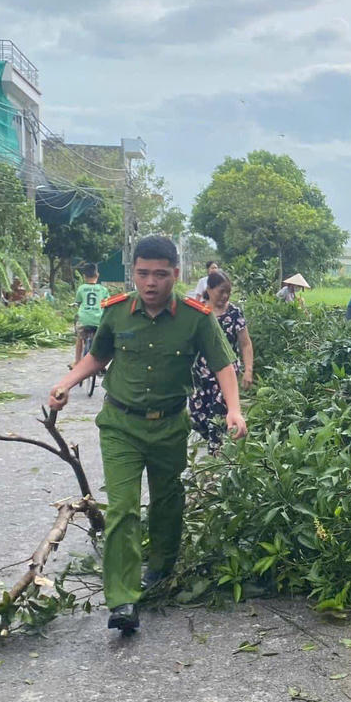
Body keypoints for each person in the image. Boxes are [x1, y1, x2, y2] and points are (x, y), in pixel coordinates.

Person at [47, 235, 246, 635]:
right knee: (122, 508)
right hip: (121, 425)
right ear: (133, 273)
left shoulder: (196, 317)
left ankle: (161, 568)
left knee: (168, 500)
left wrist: (234, 409)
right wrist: (66, 383)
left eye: (159, 274)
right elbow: (97, 356)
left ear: (175, 274)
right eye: (142, 274)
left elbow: (223, 364)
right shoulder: (117, 313)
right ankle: (122, 598)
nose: (150, 283)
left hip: (170, 425)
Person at [189, 270, 255, 451]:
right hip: (200, 378)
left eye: (228, 291)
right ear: (209, 290)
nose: (225, 296)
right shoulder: (198, 312)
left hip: (226, 375)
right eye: (221, 291)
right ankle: (213, 447)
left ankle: (217, 456)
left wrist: (248, 370)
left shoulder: (234, 313)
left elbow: (246, 344)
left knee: (218, 419)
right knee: (198, 418)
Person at [73, 263, 109, 365]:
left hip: (84, 320)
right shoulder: (103, 289)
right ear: (97, 275)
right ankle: (101, 363)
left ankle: (77, 361)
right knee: (101, 341)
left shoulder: (81, 288)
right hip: (98, 320)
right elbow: (107, 303)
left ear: (84, 276)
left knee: (79, 338)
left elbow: (78, 301)